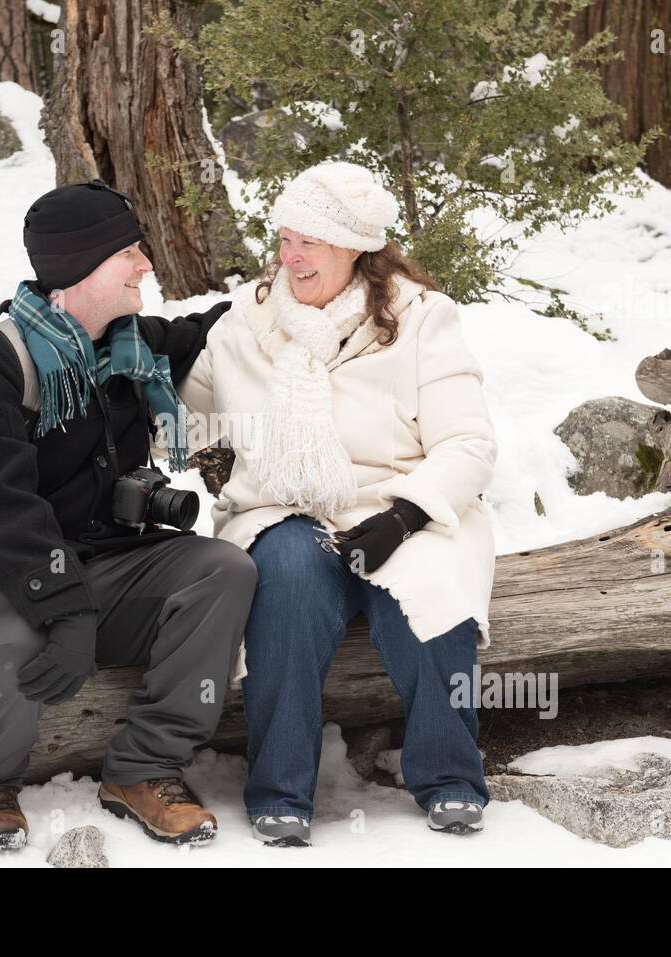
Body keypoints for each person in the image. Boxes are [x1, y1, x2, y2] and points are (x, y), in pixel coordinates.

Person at [0, 179, 257, 850]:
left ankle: (145, 767)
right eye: (129, 251)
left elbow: (207, 330)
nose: (146, 264)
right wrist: (65, 612)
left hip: (104, 564)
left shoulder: (129, 347)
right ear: (79, 266)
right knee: (17, 643)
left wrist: (291, 288)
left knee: (223, 570)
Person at [179, 161, 498, 847]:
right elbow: (187, 419)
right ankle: (280, 791)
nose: (291, 257)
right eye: (285, 239)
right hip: (282, 508)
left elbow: (468, 443)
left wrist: (405, 517)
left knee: (428, 591)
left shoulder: (421, 319)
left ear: (355, 245)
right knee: (287, 582)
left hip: (400, 504)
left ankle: (449, 777)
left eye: (310, 242)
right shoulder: (247, 319)